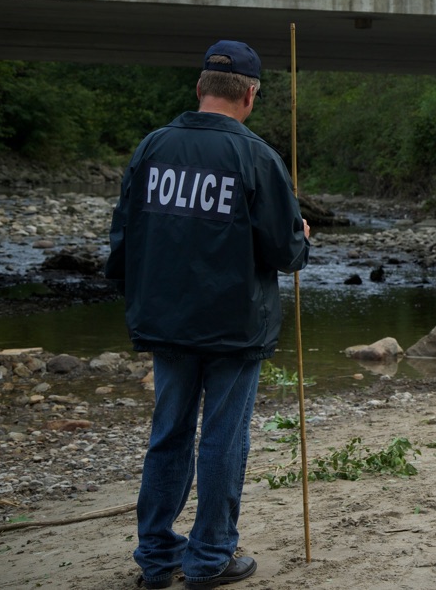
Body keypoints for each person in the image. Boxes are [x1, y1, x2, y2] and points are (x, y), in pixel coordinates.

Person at [105, 40, 310, 590]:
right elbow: (284, 253)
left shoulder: (152, 148)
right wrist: (302, 238)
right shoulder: (258, 158)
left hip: (166, 321)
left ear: (199, 90)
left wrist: (134, 297)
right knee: (222, 437)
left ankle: (155, 556)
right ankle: (209, 557)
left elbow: (123, 238)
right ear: (249, 95)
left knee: (168, 431)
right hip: (233, 326)